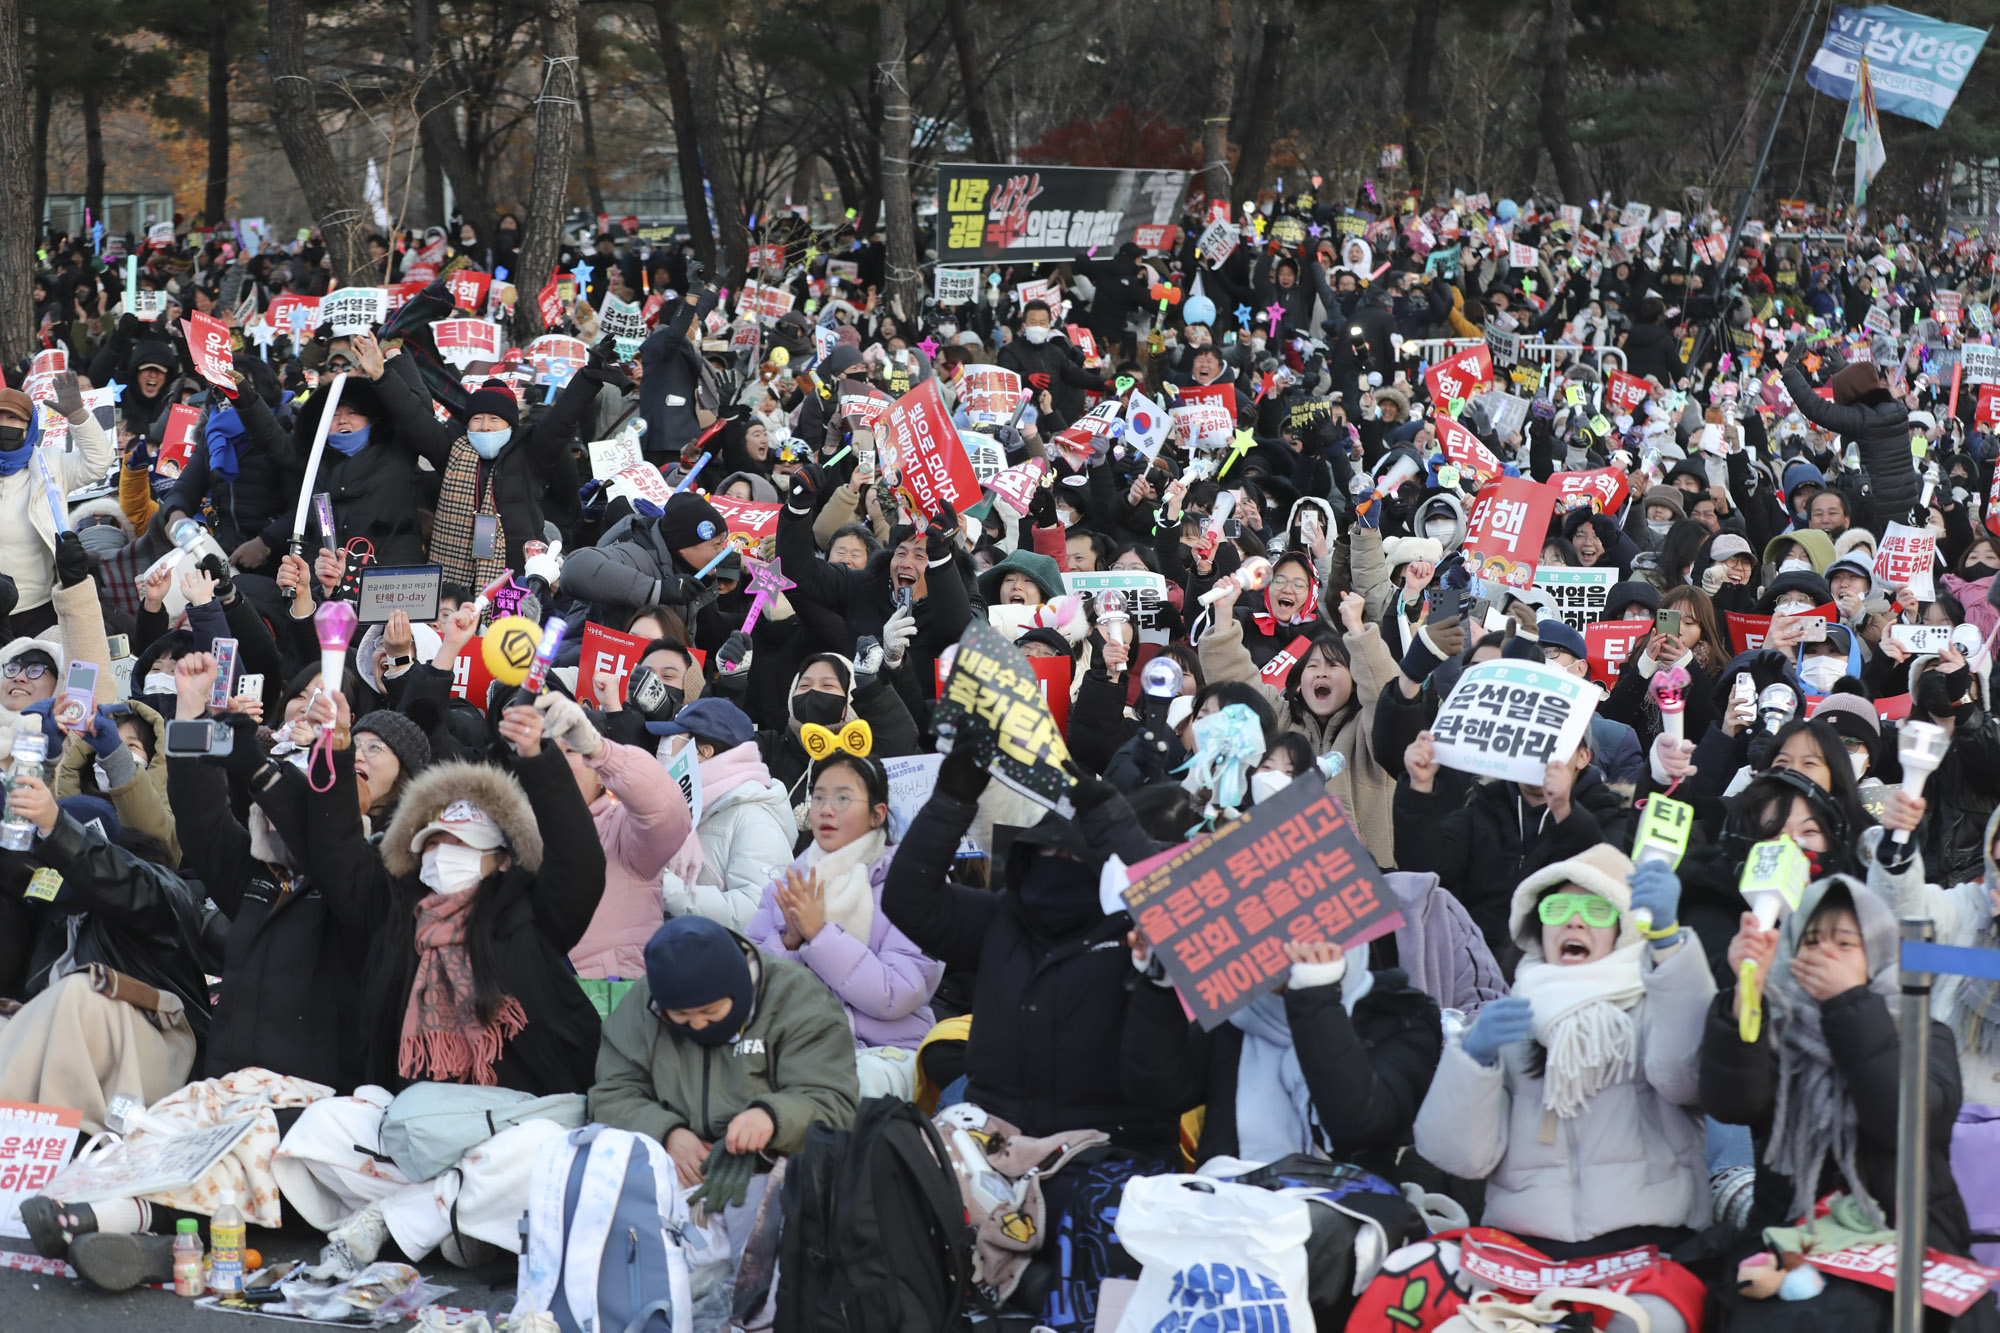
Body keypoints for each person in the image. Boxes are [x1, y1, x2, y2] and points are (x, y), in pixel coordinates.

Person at [1701, 878, 1991, 1325]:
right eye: (1812, 941)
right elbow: (1733, 1104)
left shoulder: (1925, 1033)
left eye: (1844, 943)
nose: (1825, 954)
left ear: (1876, 952)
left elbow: (1903, 1120)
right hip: (1794, 1232)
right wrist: (1746, 996)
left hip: (1907, 1231)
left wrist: (1850, 1004)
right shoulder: (1780, 1029)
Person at [1414, 848, 1716, 1263]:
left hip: (1650, 1243)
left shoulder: (1657, 1001)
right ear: (1539, 927)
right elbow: (1458, 1157)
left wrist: (1668, 943)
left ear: (1621, 929)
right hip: (1527, 1250)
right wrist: (1473, 1061)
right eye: (1558, 908)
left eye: (1596, 909)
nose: (1575, 920)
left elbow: (1688, 1078)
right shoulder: (1510, 1018)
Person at [300, 690, 608, 1094]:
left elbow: (580, 862)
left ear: (502, 858)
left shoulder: (532, 913)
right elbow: (335, 850)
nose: (445, 852)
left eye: (464, 843)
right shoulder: (392, 910)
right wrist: (336, 746)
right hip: (412, 1120)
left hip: (527, 1113)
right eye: (434, 841)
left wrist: (536, 757)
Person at [589, 914, 860, 1216]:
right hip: (672, 1168)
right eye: (680, 1017)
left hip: (776, 1169)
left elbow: (834, 1102)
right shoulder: (644, 1004)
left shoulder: (796, 997)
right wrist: (666, 1133)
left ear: (739, 985)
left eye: (710, 1011)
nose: (698, 1024)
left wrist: (772, 1117)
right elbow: (612, 1092)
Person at [747, 753, 941, 1098]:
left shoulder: (913, 886)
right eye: (818, 796)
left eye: (842, 798)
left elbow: (899, 992)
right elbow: (753, 990)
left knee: (853, 1085)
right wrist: (790, 942)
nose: (826, 809)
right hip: (802, 1050)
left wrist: (821, 937)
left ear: (877, 814)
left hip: (887, 1056)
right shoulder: (785, 885)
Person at [537, 690, 692, 981]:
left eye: (572, 750)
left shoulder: (622, 828)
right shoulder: (511, 834)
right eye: (547, 750)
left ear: (600, 773)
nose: (558, 761)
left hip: (610, 1000)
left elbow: (667, 813)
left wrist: (602, 752)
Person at [656, 698, 799, 931]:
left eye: (675, 739)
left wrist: (668, 888)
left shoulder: (755, 818)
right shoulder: (691, 804)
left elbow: (758, 910)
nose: (663, 747)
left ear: (704, 752)